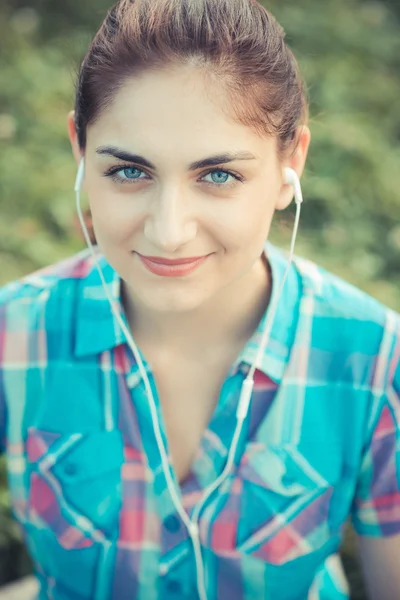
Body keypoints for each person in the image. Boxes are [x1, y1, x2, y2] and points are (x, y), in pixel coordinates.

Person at [0, 0, 399, 598]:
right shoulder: (14, 334)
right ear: (81, 150)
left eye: (218, 176)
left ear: (291, 162)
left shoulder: (374, 357)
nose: (168, 230)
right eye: (130, 172)